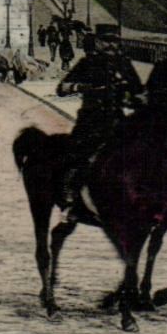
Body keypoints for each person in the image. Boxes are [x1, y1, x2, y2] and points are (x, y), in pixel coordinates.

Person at [57, 30, 144, 214]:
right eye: (106, 41)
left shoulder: (124, 64)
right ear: (97, 42)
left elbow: (138, 92)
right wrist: (80, 86)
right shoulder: (87, 63)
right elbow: (62, 88)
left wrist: (134, 99)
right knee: (78, 155)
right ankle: (70, 198)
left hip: (116, 120)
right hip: (91, 120)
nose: (111, 45)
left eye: (114, 41)